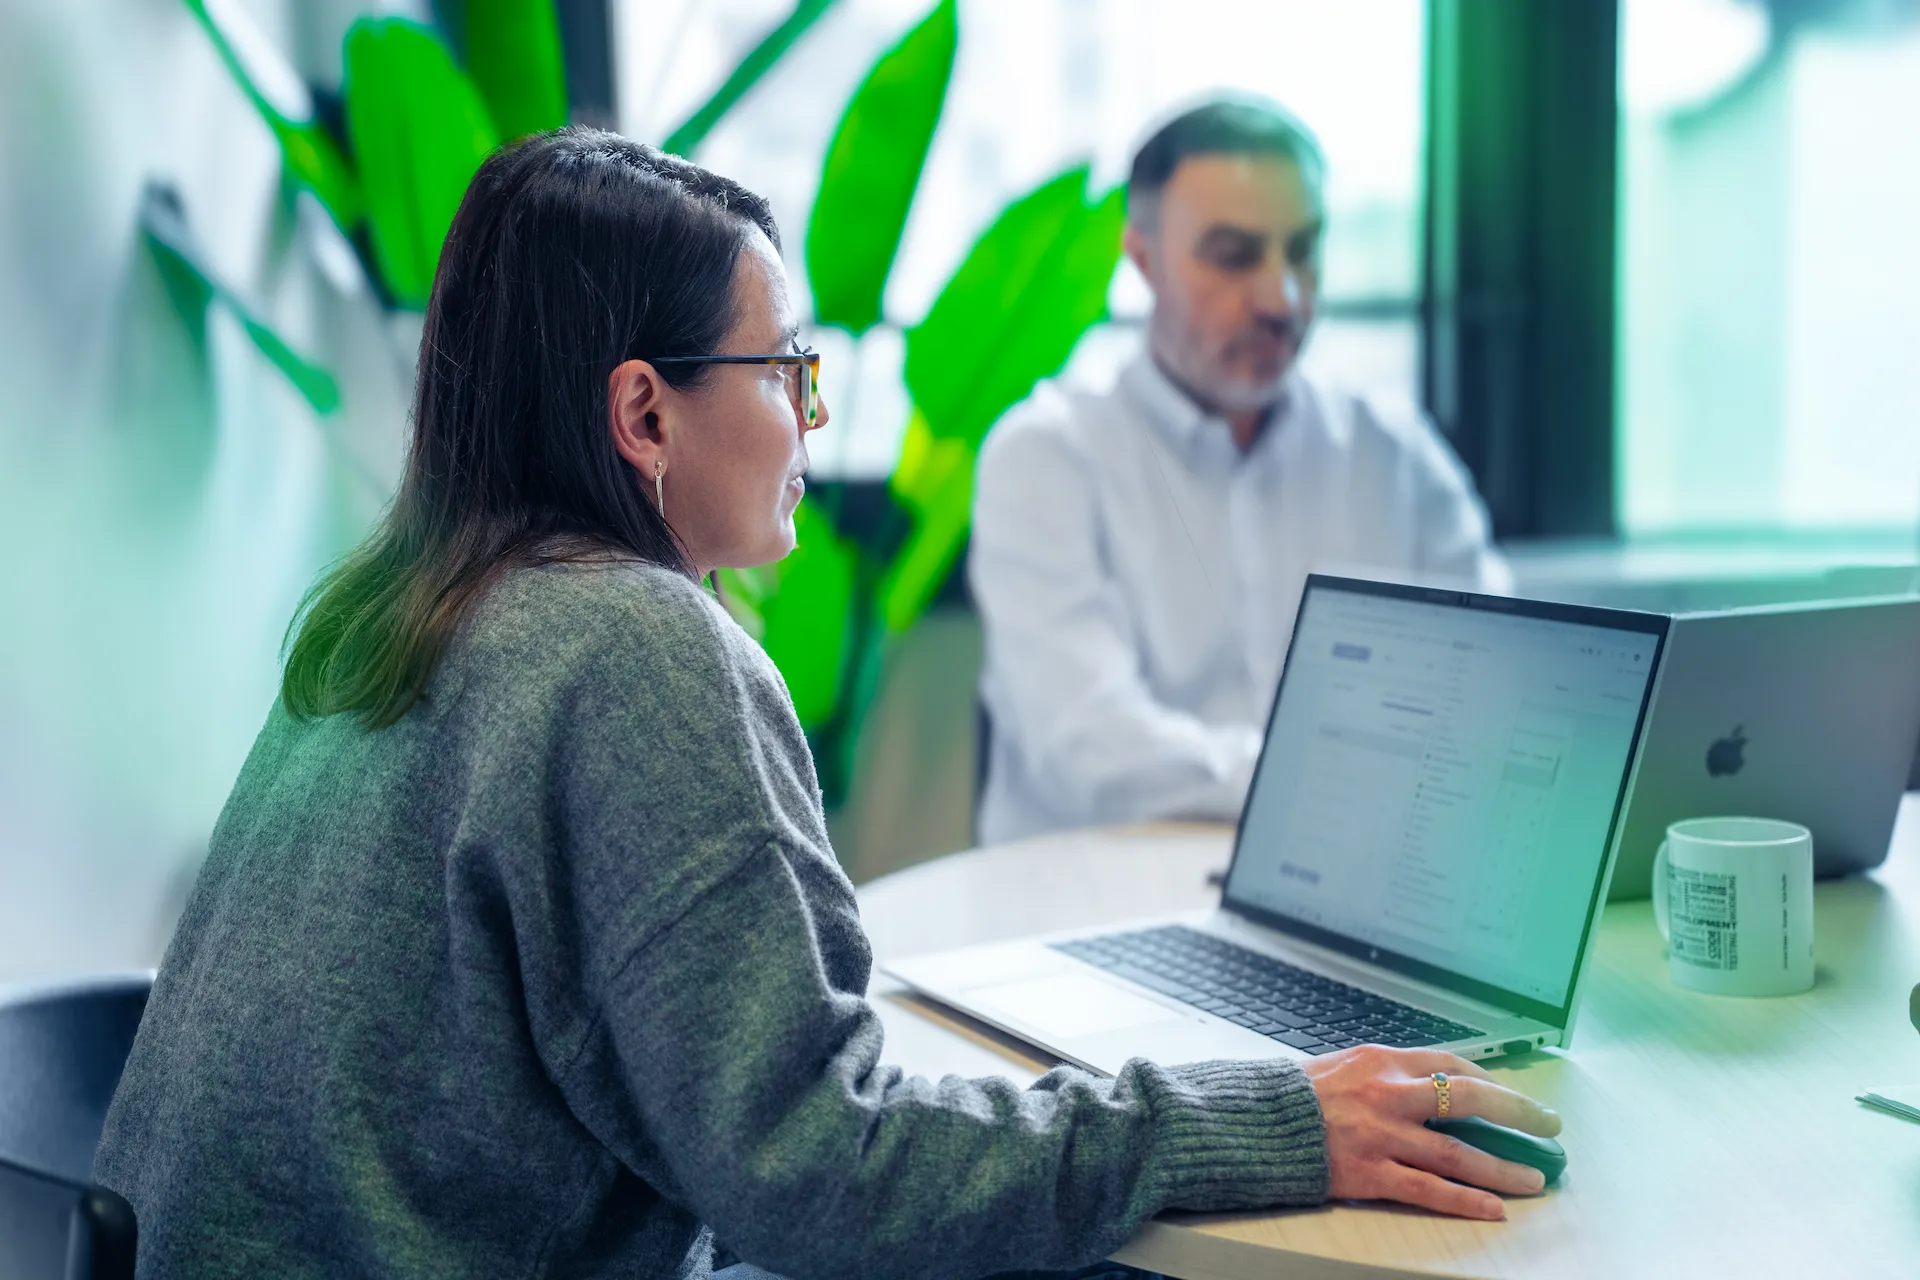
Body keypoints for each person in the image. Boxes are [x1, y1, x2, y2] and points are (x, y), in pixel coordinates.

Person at [93, 128, 1557, 1279]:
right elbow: (827, 1175)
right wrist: (1271, 1118)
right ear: (644, 414)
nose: (812, 416)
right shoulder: (626, 647)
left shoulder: (393, 613)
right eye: (788, 369)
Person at [970, 99, 1508, 846]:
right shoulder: (1047, 456)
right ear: (1144, 261)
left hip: (1348, 878)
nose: (1281, 299)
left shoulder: (1392, 453)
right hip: (1094, 898)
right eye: (1234, 256)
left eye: (1303, 251)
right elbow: (1088, 748)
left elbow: (1499, 691)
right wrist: (1335, 779)